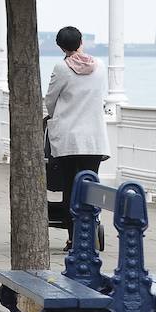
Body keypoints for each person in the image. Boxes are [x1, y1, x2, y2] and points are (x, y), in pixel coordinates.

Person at [44, 26, 109, 238]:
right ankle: (90, 229)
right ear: (81, 42)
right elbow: (101, 96)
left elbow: (50, 100)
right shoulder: (100, 66)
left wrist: (53, 116)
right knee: (91, 185)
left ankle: (74, 237)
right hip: (93, 139)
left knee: (70, 187)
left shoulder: (62, 68)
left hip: (69, 139)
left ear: (60, 46)